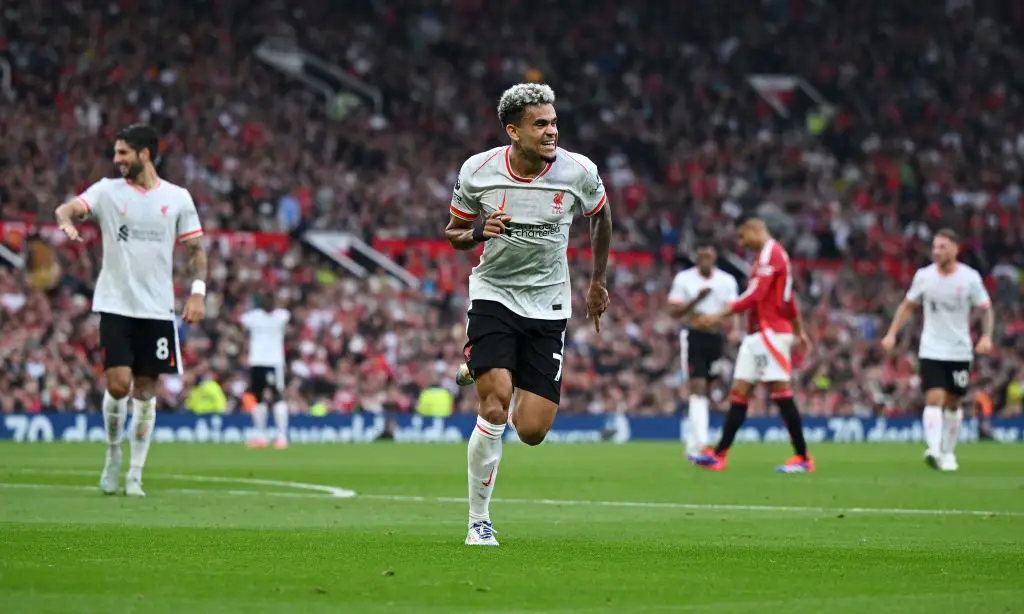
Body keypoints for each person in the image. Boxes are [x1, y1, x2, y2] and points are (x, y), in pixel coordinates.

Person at [446, 83, 613, 546]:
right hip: (495, 293)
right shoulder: (478, 171)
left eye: (554, 122)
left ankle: (483, 362)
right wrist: (479, 231)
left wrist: (597, 281)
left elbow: (601, 216)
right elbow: (454, 233)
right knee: (495, 403)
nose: (551, 131)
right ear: (513, 130)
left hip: (548, 303)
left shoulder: (577, 171)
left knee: (532, 430)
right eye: (540, 124)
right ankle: (478, 520)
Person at [54, 124, 207, 497]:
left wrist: (198, 293)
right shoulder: (107, 191)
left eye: (123, 153)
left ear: (145, 154)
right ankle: (112, 455)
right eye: (116, 153)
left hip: (156, 309)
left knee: (146, 392)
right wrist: (66, 221)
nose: (116, 159)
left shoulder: (178, 198)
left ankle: (136, 472)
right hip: (116, 305)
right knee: (118, 385)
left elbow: (196, 252)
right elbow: (69, 207)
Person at [691, 218, 815, 473]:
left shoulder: (772, 253)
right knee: (739, 391)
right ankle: (719, 454)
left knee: (781, 393)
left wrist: (718, 315)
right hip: (757, 334)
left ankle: (803, 457)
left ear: (755, 230)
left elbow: (755, 295)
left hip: (770, 333)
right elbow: (788, 299)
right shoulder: (765, 257)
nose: (741, 243)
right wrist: (800, 332)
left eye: (742, 237)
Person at [881, 229, 993, 471]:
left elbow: (985, 308)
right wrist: (892, 333)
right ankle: (933, 449)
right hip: (931, 348)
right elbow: (907, 306)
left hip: (960, 349)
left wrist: (986, 336)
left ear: (955, 248)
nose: (936, 251)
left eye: (942, 246)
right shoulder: (924, 277)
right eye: (934, 247)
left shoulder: (970, 278)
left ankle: (948, 452)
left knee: (953, 403)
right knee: (934, 397)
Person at [666, 241, 739, 461]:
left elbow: (733, 308)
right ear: (697, 258)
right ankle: (701, 444)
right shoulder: (684, 279)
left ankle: (692, 446)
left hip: (716, 338)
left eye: (709, 255)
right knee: (696, 386)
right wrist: (696, 300)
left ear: (714, 257)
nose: (705, 260)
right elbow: (674, 312)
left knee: (707, 389)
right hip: (694, 335)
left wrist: (735, 330)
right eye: (702, 256)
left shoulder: (727, 281)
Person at [240, 294, 291, 449]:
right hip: (266, 362)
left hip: (267, 362)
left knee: (274, 398)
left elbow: (242, 321)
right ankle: (264, 436)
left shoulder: (253, 317)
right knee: (262, 398)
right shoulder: (281, 316)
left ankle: (279, 437)